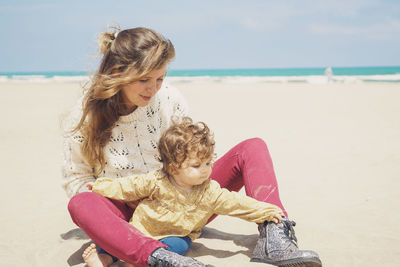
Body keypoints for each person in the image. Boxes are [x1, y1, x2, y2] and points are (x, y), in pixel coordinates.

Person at [63, 26, 321, 267]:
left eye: (160, 78)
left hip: (185, 199)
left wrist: (186, 183)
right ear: (118, 73)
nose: (153, 88)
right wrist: (114, 207)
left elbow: (188, 149)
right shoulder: (85, 115)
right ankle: (155, 256)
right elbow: (76, 178)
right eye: (144, 80)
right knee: (81, 202)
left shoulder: (169, 99)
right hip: (124, 215)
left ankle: (274, 235)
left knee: (252, 147)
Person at [84, 117, 287, 266]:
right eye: (197, 165)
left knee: (180, 246)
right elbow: (128, 186)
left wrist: (267, 211)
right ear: (173, 167)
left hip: (174, 235)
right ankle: (103, 258)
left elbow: (237, 204)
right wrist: (101, 186)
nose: (206, 170)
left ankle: (143, 261)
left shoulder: (209, 190)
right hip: (141, 229)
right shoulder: (157, 181)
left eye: (208, 162)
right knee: (115, 240)